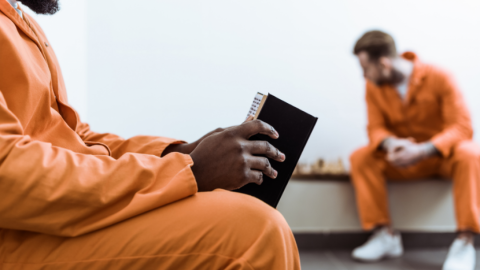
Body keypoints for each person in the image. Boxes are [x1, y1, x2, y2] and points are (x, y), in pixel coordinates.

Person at [0, 0, 300, 269]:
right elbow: (7, 173)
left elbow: (75, 136)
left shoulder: (20, 21)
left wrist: (177, 153)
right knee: (253, 232)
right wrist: (187, 172)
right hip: (16, 236)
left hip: (47, 219)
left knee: (249, 218)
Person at [350, 30, 479, 270]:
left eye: (366, 68)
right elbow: (375, 128)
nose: (363, 75)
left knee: (471, 154)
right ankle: (384, 235)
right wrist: (392, 144)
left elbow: (462, 127)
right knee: (361, 157)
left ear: (384, 63)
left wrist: (423, 150)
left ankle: (465, 241)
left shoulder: (440, 77)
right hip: (401, 159)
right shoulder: (373, 86)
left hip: (441, 158)